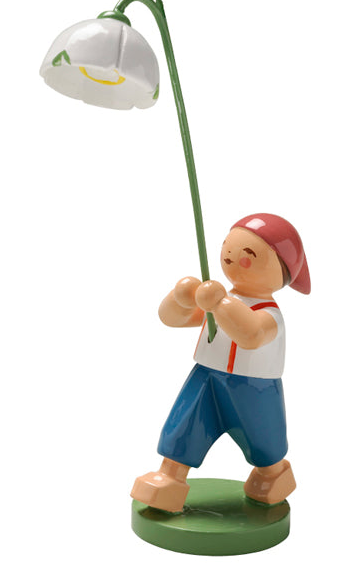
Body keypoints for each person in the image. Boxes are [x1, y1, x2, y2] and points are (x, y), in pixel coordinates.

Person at [130, 213, 311, 512]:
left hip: (254, 388)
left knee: (264, 441)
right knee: (184, 424)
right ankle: (170, 477)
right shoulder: (216, 298)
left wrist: (219, 303)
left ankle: (274, 475)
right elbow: (171, 319)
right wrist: (180, 298)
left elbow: (251, 333)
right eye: (228, 247)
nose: (230, 256)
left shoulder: (271, 315)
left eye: (248, 253)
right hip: (205, 379)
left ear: (281, 272)